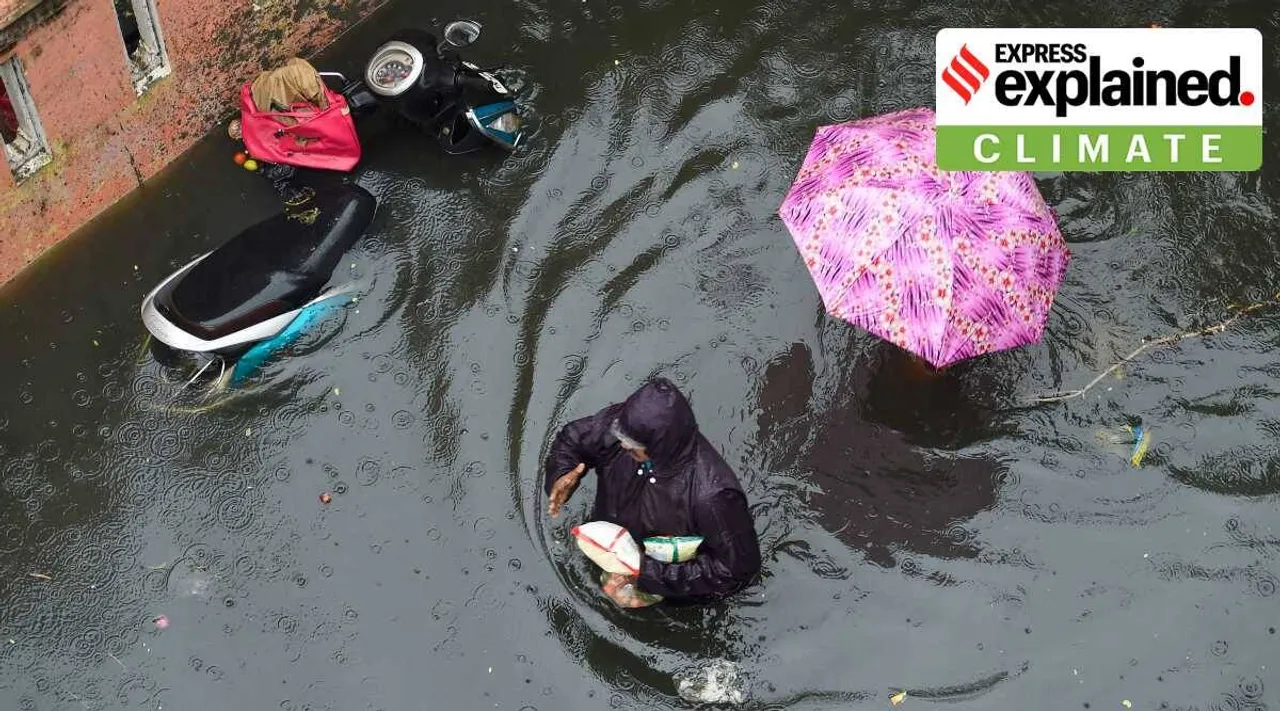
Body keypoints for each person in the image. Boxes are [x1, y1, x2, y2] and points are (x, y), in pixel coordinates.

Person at [544, 377, 761, 606]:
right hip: (615, 547)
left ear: (659, 445)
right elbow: (572, 438)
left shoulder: (713, 497)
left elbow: (736, 570)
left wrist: (645, 573)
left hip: (669, 587)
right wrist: (562, 473)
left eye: (633, 443)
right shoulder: (624, 428)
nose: (624, 444)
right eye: (624, 437)